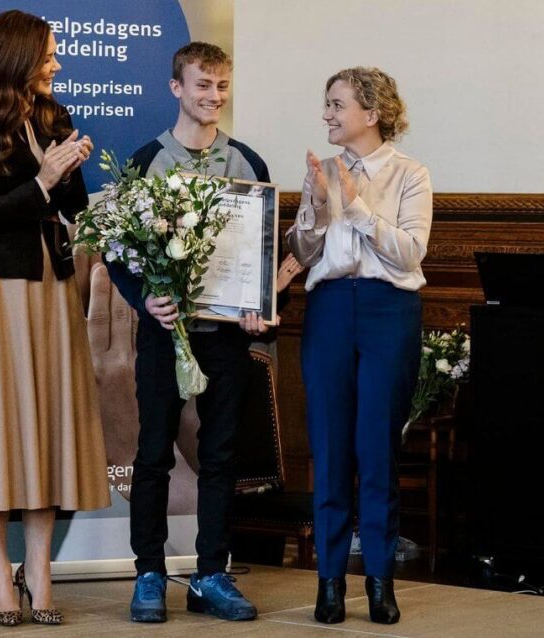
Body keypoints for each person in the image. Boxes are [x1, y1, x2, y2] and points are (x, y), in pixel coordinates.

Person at [0, 10, 110, 627]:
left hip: (52, 288)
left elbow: (76, 207)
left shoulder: (53, 116)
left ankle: (39, 568)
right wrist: (42, 179)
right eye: (47, 56)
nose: (56, 65)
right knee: (2, 423)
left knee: (45, 424)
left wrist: (64, 172)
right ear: (15, 60)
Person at [104, 41, 272, 624]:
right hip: (164, 334)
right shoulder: (147, 159)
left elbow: (260, 252)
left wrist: (257, 307)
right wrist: (144, 299)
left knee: (221, 456)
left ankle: (210, 576)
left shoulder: (248, 162)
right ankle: (149, 573)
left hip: (225, 337)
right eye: (203, 86)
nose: (214, 97)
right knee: (153, 454)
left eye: (222, 86)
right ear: (176, 88)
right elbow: (119, 250)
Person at [287, 67, 432, 625]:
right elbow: (302, 249)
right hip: (327, 310)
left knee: (376, 450)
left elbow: (410, 254)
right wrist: (318, 206)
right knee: (328, 446)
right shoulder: (321, 170)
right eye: (326, 104)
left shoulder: (410, 173)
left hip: (387, 312)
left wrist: (357, 204)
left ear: (370, 114)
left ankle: (378, 580)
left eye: (336, 104)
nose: (326, 113)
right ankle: (328, 582)